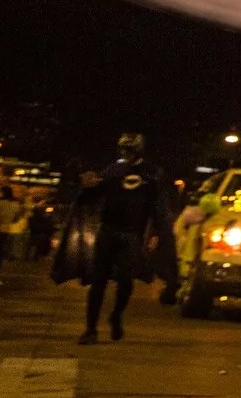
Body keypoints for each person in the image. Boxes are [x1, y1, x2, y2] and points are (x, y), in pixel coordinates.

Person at [53, 138, 174, 342]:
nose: (125, 153)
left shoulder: (151, 174)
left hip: (132, 235)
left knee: (126, 282)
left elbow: (158, 207)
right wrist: (83, 183)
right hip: (108, 231)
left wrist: (158, 233)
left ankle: (116, 316)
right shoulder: (113, 171)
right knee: (98, 281)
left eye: (129, 149)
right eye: (123, 149)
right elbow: (90, 196)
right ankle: (90, 329)